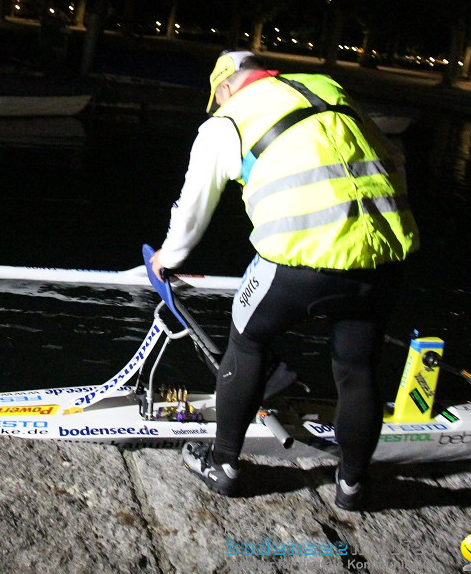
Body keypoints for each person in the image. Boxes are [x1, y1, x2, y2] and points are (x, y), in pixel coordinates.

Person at [150, 50, 420, 508]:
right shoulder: (328, 89)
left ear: (225, 88)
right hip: (383, 256)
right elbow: (391, 155)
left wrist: (167, 257)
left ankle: (225, 464)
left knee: (248, 339)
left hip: (300, 263)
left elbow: (193, 208)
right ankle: (353, 484)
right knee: (358, 370)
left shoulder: (226, 121)